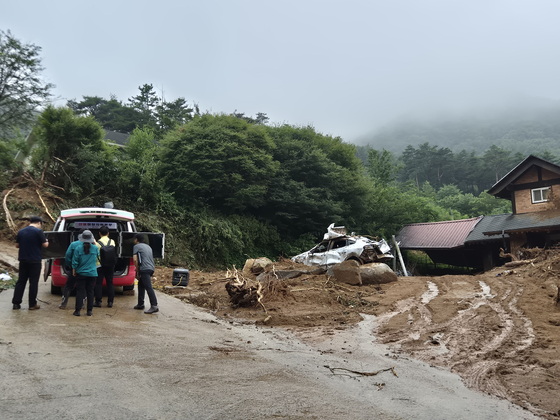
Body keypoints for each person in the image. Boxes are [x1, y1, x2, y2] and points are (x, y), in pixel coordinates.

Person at [12, 216, 49, 310]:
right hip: (35, 260)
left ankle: (16, 303)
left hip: (23, 260)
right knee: (33, 282)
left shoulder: (21, 231)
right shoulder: (38, 232)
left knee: (21, 281)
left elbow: (17, 245)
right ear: (39, 223)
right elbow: (45, 245)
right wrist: (47, 241)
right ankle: (32, 304)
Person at [71, 230, 99, 316]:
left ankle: (77, 311)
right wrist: (94, 243)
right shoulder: (95, 248)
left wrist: (74, 271)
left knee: (80, 291)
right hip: (92, 274)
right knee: (90, 292)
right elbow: (97, 256)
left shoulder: (78, 248)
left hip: (81, 273)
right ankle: (89, 311)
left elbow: (75, 261)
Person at [59, 228, 85, 309]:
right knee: (83, 287)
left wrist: (69, 265)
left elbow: (67, 256)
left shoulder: (73, 244)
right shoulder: (91, 245)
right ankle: (82, 304)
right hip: (84, 270)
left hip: (74, 269)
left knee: (68, 286)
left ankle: (64, 303)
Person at [132, 233, 158, 314]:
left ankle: (154, 305)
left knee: (148, 287)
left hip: (144, 269)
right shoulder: (148, 247)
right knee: (141, 285)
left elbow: (135, 259)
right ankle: (140, 304)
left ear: (136, 239)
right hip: (151, 268)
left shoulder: (136, 246)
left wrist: (137, 270)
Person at [93, 226, 115, 308]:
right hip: (110, 265)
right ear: (108, 233)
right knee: (110, 283)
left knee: (99, 283)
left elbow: (96, 254)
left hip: (100, 265)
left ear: (99, 234)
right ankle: (110, 302)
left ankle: (98, 302)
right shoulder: (112, 241)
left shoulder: (97, 243)